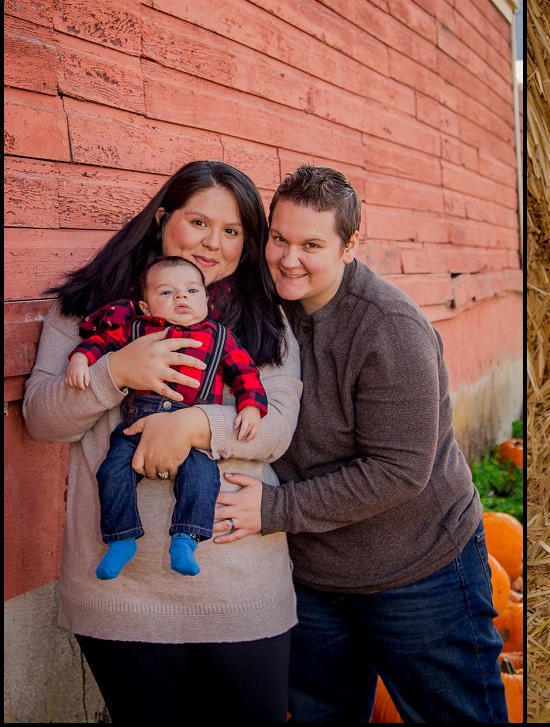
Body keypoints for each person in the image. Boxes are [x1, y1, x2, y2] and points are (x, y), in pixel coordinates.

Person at [212, 165, 508, 722]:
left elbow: (398, 471)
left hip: (420, 569)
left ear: (350, 246)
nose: (288, 258)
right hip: (314, 578)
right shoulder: (263, 307)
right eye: (279, 238)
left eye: (311, 245)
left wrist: (274, 508)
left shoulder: (390, 329)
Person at [22, 160, 300, 721]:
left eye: (232, 231)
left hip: (238, 582)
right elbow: (41, 420)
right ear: (161, 218)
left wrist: (194, 425)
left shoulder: (260, 318)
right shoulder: (90, 313)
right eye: (199, 222)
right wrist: (115, 372)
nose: (213, 244)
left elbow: (277, 427)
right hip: (121, 592)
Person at [68, 256, 269, 579]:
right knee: (112, 471)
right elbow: (100, 342)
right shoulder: (136, 329)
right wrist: (80, 359)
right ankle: (122, 538)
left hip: (192, 425)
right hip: (136, 423)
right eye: (166, 293)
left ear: (206, 300)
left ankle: (186, 536)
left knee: (203, 477)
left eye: (191, 290)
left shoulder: (219, 337)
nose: (181, 297)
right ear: (146, 308)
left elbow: (245, 372)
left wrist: (250, 406)